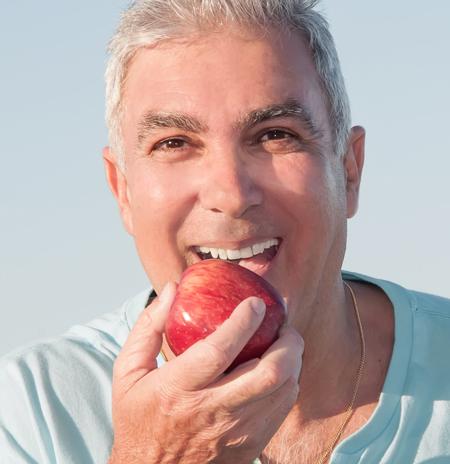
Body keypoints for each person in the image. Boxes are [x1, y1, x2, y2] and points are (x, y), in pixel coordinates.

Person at [1, 0, 449, 462]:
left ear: (349, 170)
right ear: (124, 193)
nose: (231, 193)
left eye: (276, 134)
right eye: (174, 143)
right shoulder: (31, 410)